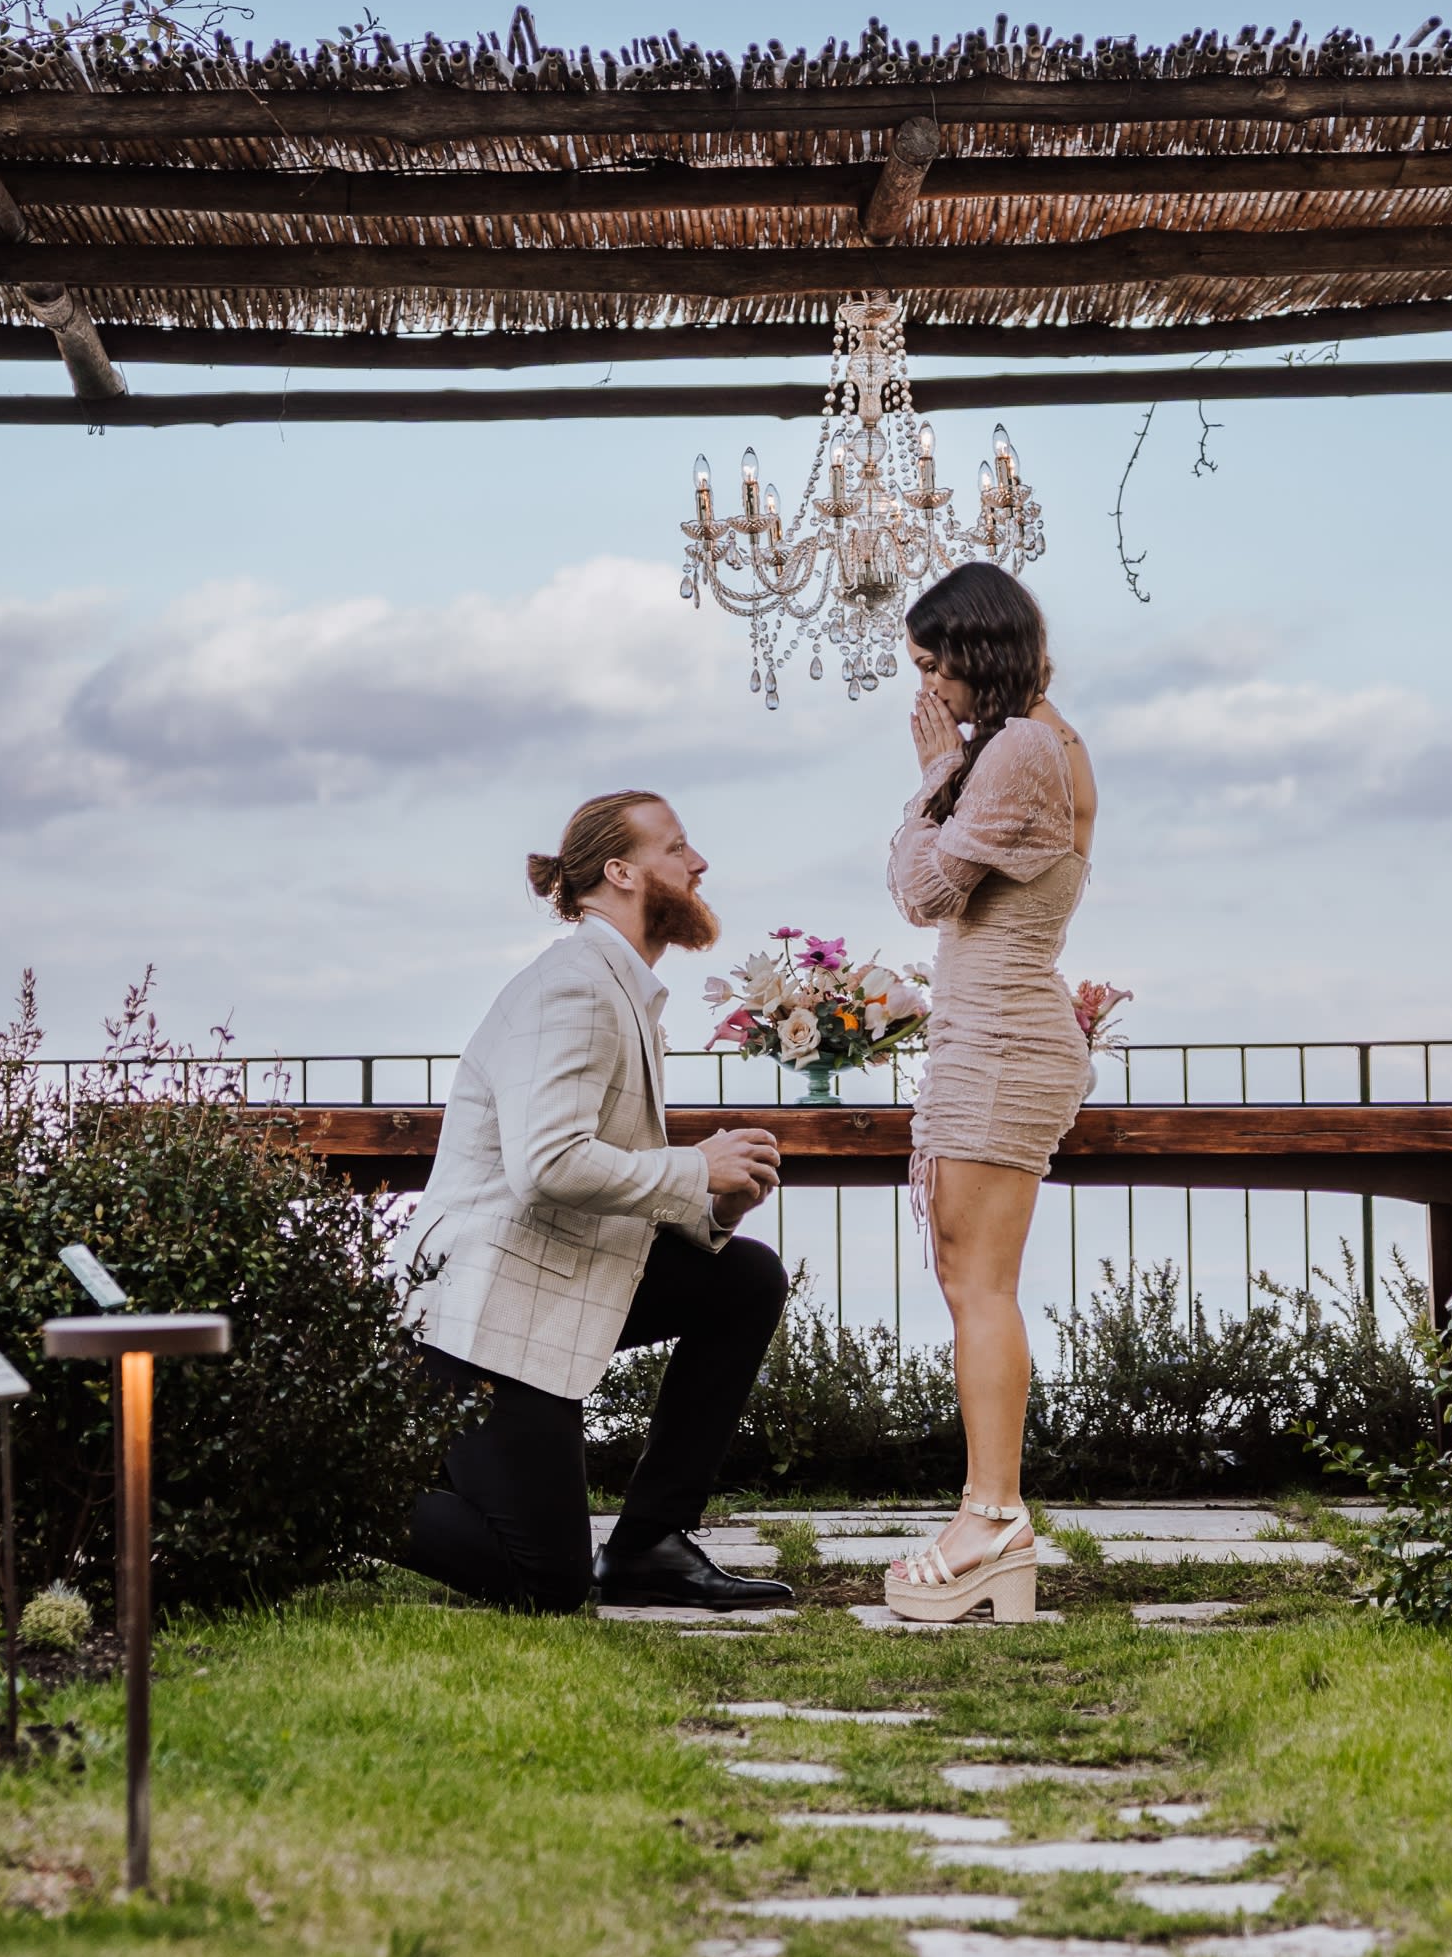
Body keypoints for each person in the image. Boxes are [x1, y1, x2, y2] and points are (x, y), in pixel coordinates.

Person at [395, 790, 797, 1614]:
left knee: (743, 1278)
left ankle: (650, 1544)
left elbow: (606, 1173)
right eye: (677, 847)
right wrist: (695, 1167)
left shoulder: (621, 988)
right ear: (620, 872)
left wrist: (716, 1205)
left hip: (554, 1276)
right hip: (480, 1318)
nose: (699, 863)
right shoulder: (573, 988)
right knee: (545, 1582)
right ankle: (326, 1491)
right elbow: (548, 1164)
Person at [879, 564, 1097, 1622]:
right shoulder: (1039, 743)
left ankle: (993, 1520)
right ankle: (990, 1517)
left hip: (1004, 1040)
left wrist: (932, 777)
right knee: (970, 1276)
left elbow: (923, 892)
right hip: (995, 1032)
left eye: (934, 665)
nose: (927, 690)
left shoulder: (1016, 750)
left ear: (979, 651)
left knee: (979, 1285)